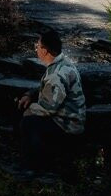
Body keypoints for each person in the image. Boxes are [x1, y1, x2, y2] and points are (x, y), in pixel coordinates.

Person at [16, 29, 86, 170]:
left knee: (29, 122)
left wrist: (28, 109)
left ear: (45, 51)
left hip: (67, 125)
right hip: (67, 118)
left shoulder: (56, 75)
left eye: (37, 46)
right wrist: (29, 95)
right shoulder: (62, 63)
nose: (36, 49)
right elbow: (47, 89)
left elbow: (47, 109)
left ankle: (32, 167)